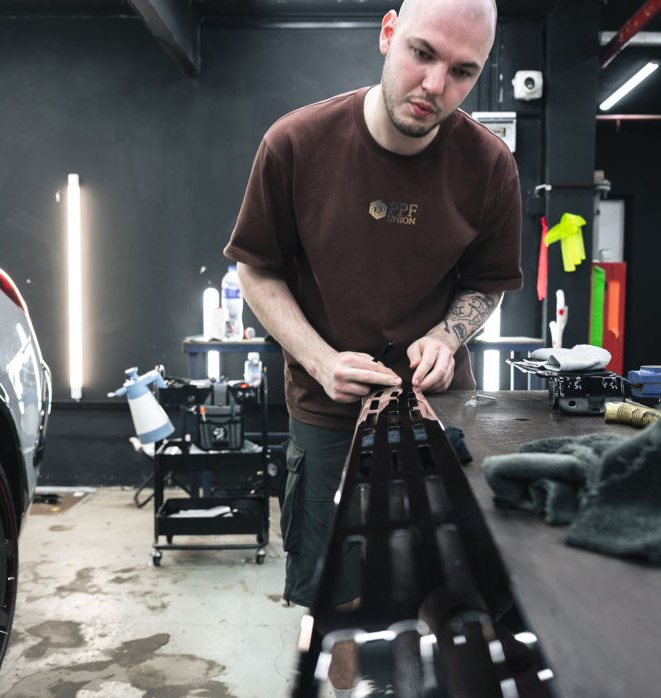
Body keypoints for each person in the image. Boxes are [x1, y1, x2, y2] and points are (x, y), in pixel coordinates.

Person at [223, 0, 520, 689]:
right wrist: (320, 359)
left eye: (462, 71)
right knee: (342, 621)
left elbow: (489, 284)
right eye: (422, 53)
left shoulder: (489, 166)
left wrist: (447, 335)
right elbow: (256, 269)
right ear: (388, 34)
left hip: (439, 418)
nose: (435, 86)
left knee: (446, 606)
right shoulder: (295, 144)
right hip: (329, 417)